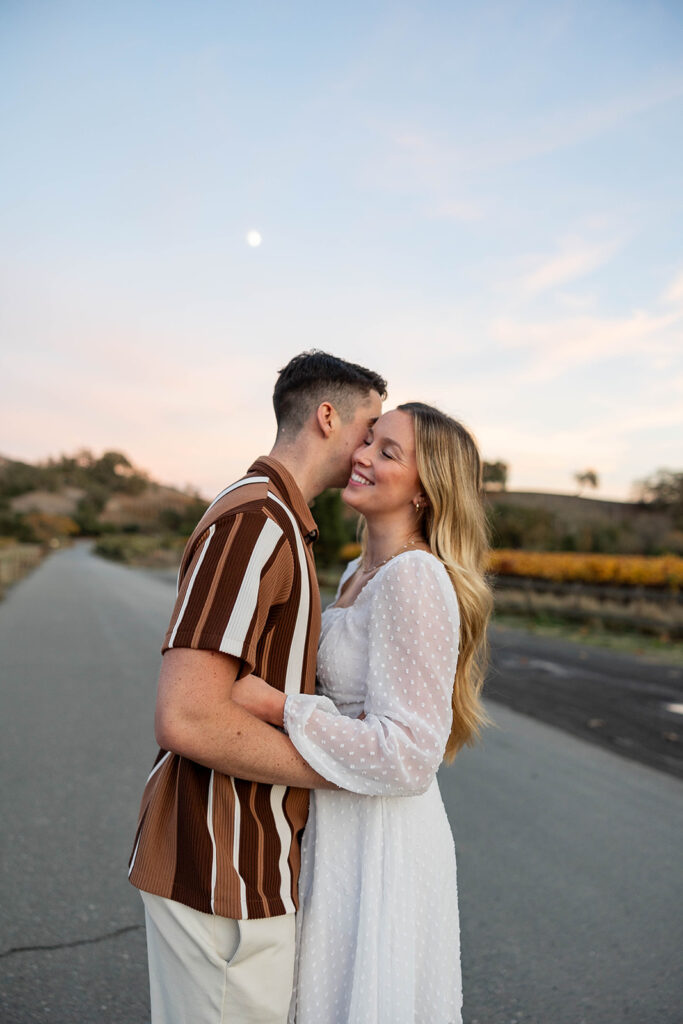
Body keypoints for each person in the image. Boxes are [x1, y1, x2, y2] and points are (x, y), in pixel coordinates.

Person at [128, 350, 386, 1024]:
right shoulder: (255, 523)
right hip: (220, 865)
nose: (370, 451)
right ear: (328, 417)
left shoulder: (283, 524)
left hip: (253, 862)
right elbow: (187, 716)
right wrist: (340, 764)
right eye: (371, 428)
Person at [232, 402, 494, 1024]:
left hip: (381, 839)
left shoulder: (415, 578)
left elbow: (409, 755)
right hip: (337, 817)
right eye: (368, 440)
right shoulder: (356, 573)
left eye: (388, 452)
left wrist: (276, 706)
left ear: (427, 490)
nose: (363, 456)